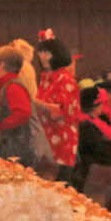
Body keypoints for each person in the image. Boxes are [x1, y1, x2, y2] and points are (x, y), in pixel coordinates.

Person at [34, 30, 80, 166]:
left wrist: (33, 101)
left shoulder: (65, 79)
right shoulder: (45, 78)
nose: (42, 56)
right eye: (40, 52)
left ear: (57, 54)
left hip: (62, 143)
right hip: (46, 142)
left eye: (47, 53)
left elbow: (60, 112)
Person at [0, 46, 36, 167]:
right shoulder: (10, 85)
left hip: (15, 150)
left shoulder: (12, 87)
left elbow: (23, 113)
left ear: (1, 65)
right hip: (14, 148)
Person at [74, 87, 111, 183]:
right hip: (97, 174)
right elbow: (104, 150)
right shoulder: (87, 125)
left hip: (93, 170)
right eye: (102, 103)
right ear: (96, 106)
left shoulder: (84, 121)